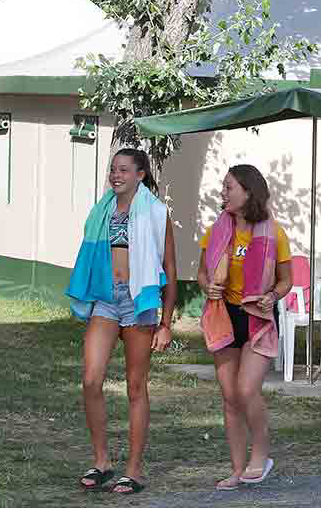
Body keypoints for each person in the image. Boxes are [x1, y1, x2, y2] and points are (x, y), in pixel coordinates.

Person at [65, 148, 177, 495]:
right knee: (90, 378)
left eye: (124, 170)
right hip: (106, 298)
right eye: (113, 169)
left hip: (138, 302)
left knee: (135, 386)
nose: (116, 175)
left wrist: (166, 322)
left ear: (140, 175)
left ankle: (134, 470)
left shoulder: (157, 214)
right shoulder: (101, 211)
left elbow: (170, 270)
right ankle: (102, 461)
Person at [197, 164, 294, 490]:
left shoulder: (273, 232)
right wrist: (207, 287)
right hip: (224, 314)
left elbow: (286, 282)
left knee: (246, 389)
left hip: (258, 317)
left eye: (229, 188)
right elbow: (201, 275)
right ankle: (237, 470)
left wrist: (271, 296)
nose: (223, 193)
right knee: (229, 397)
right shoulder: (217, 230)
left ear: (248, 192)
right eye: (224, 188)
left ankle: (261, 455)